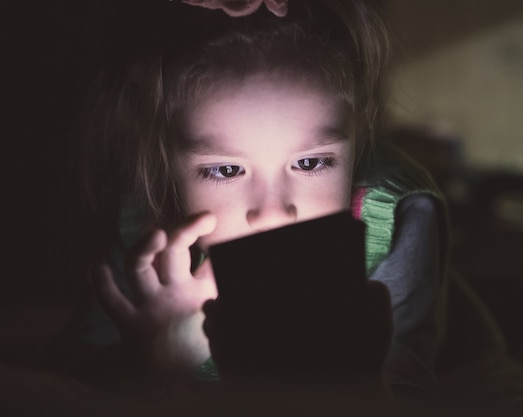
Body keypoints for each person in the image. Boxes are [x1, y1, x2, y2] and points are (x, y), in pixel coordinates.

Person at [42, 0, 449, 414]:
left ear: (355, 141)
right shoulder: (150, 235)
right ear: (165, 165)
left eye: (309, 163)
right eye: (226, 170)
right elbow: (73, 375)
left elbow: (409, 390)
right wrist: (156, 362)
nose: (272, 213)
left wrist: (353, 381)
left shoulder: (395, 219)